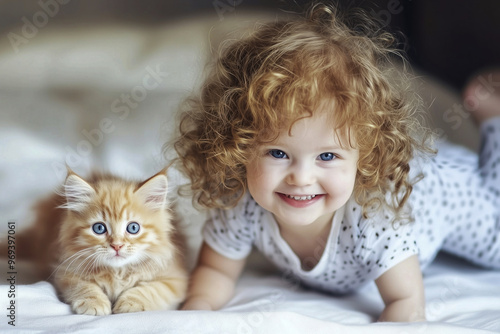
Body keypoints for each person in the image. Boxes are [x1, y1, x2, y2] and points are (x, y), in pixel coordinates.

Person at [172, 3, 500, 322]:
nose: (301, 177)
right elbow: (215, 271)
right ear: (238, 148)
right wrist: (195, 312)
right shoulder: (240, 202)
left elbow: (406, 303)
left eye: (327, 156)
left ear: (365, 157)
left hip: (441, 187)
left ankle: (493, 117)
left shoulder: (374, 218)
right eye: (278, 153)